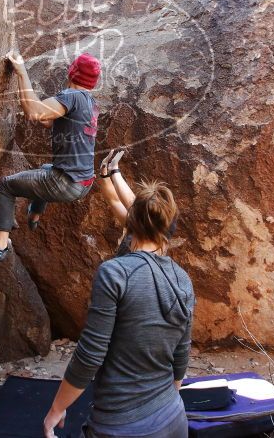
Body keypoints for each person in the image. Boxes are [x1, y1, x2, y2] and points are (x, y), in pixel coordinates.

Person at [44, 182, 195, 438]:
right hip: (173, 418)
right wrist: (165, 404)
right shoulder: (183, 280)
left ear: (129, 225)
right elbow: (181, 354)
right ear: (170, 230)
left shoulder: (115, 273)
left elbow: (91, 354)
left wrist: (57, 408)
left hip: (120, 425)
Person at [0, 51, 101, 261]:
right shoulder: (89, 102)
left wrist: (21, 71)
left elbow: (34, 112)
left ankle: (0, 245)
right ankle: (34, 216)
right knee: (44, 170)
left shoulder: (71, 97)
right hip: (83, 183)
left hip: (65, 182)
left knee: (5, 186)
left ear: (72, 73)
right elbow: (46, 119)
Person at [97, 149, 177, 257]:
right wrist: (105, 173)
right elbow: (114, 201)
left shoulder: (157, 231)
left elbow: (139, 208)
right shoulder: (136, 227)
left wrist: (114, 171)